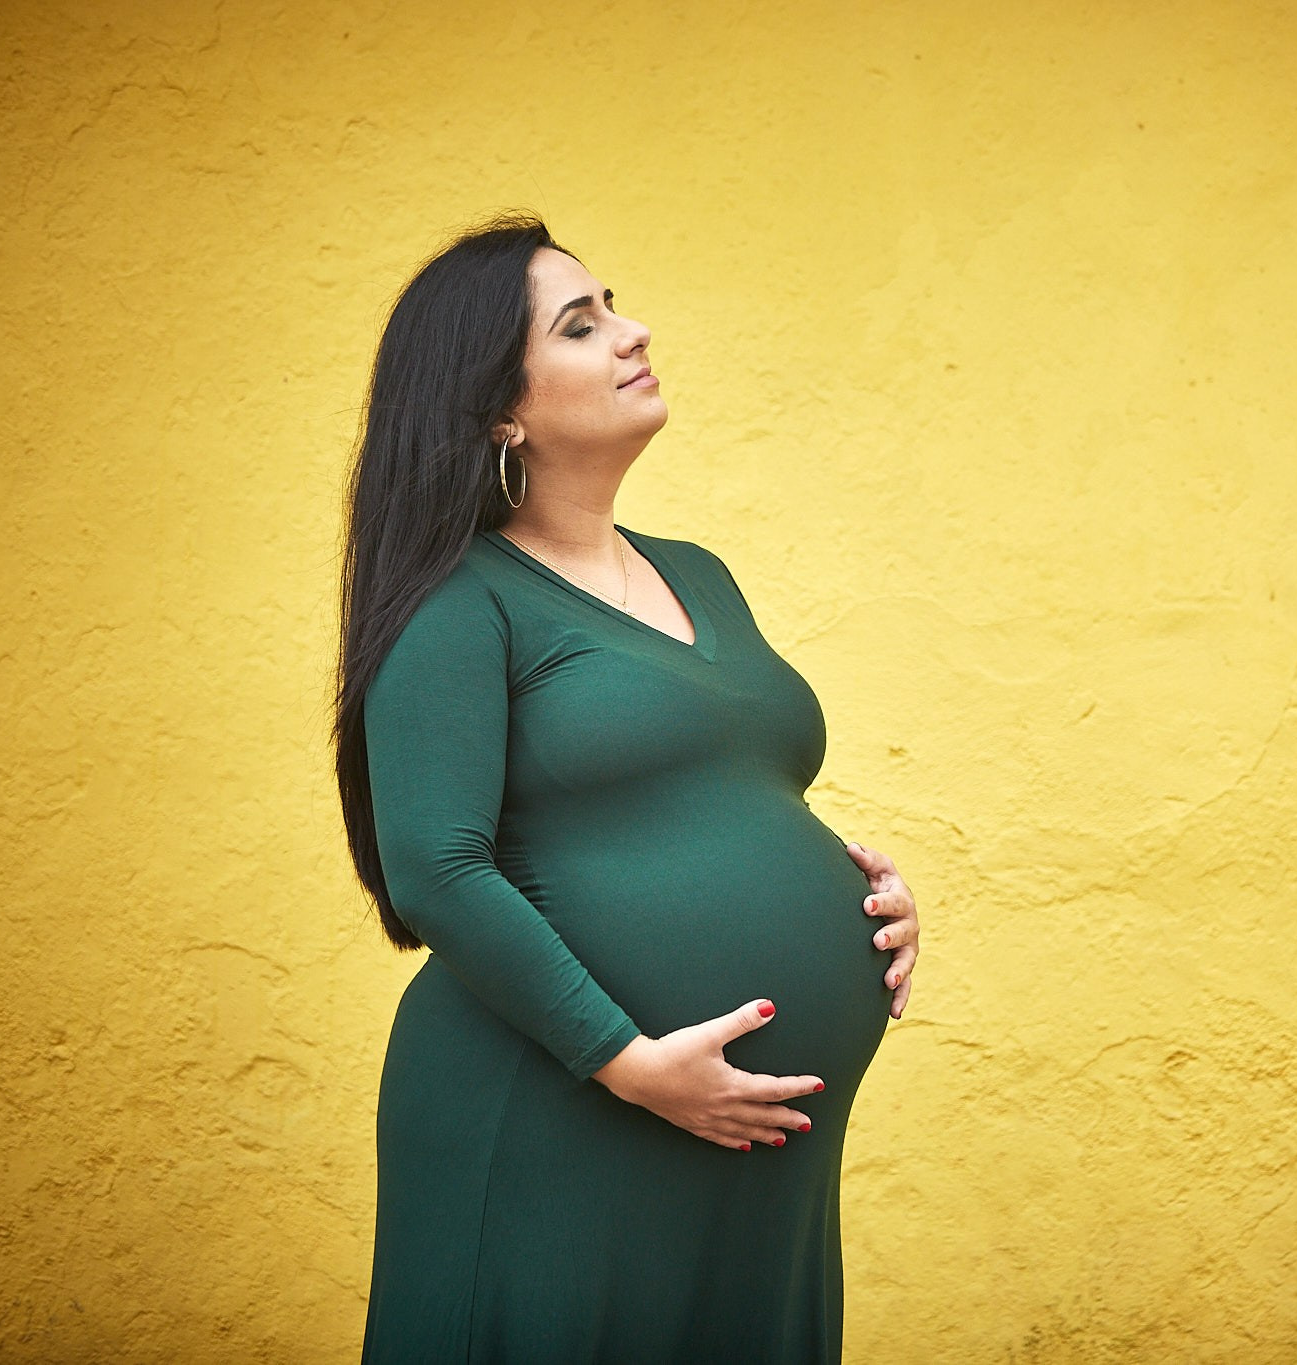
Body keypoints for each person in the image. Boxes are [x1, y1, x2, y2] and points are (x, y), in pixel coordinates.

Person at [329, 213, 922, 1362]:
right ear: (498, 407)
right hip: (561, 1107)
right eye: (580, 322)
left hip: (747, 1140)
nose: (631, 330)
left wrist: (866, 897)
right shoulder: (461, 599)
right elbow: (436, 870)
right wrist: (628, 1062)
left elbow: (722, 792)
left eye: (616, 304)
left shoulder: (697, 573)